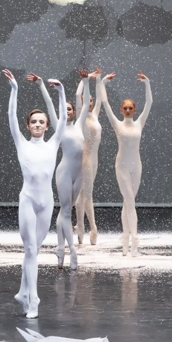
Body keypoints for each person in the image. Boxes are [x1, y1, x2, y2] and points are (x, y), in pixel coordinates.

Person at [6, 69, 67, 318]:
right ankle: (33, 300)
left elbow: (63, 118)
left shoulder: (53, 143)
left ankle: (22, 292)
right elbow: (10, 115)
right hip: (28, 201)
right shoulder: (21, 142)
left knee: (34, 251)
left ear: (47, 126)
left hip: (46, 202)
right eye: (34, 122)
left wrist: (62, 92)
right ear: (28, 126)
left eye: (42, 122)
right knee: (30, 250)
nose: (38, 125)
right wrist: (14, 90)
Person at [31, 71, 89, 269]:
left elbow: (87, 102)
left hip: (79, 173)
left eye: (71, 108)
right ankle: (71, 250)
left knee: (65, 212)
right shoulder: (58, 126)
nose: (68, 111)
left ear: (74, 111)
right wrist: (41, 86)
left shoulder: (80, 124)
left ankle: (59, 247)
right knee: (65, 212)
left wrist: (86, 81)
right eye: (65, 109)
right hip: (64, 172)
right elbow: (49, 105)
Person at [99, 71, 153, 257]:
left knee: (127, 202)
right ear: (121, 110)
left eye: (131, 108)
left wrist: (147, 84)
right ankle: (134, 240)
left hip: (136, 166)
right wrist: (103, 82)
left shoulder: (139, 123)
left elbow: (149, 104)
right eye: (125, 108)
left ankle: (125, 238)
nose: (128, 110)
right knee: (130, 202)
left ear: (134, 110)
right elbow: (105, 104)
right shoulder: (117, 124)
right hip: (121, 166)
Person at [76, 68, 104, 246]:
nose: (90, 102)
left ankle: (91, 228)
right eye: (87, 100)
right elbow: (80, 94)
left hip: (94, 160)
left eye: (91, 100)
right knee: (85, 195)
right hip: (84, 159)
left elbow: (101, 98)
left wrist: (100, 80)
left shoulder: (94, 115)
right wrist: (85, 81)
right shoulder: (81, 115)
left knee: (88, 194)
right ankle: (82, 226)